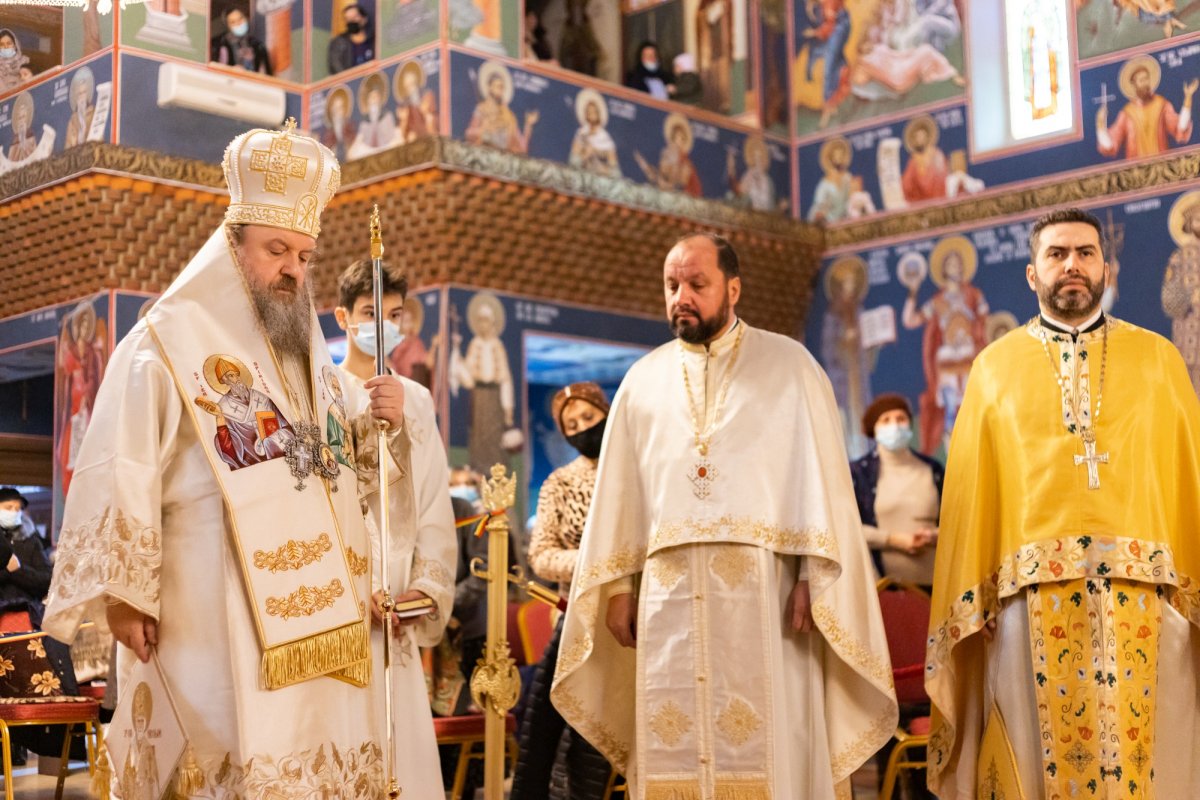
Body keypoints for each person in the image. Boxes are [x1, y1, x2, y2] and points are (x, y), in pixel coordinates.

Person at [41, 120, 423, 794]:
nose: (292, 271)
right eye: (277, 249)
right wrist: (126, 594)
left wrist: (374, 427)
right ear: (231, 244)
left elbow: (336, 462)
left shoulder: (312, 363)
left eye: (304, 257)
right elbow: (120, 464)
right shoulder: (164, 344)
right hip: (211, 608)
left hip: (326, 625)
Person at [552, 233, 897, 798]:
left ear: (733, 289)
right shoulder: (642, 382)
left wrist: (814, 577)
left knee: (773, 739)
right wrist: (616, 587)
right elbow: (621, 496)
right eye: (671, 286)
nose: (680, 296)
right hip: (666, 600)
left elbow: (819, 487)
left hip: (769, 596)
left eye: (696, 284)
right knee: (672, 740)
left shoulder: (791, 367)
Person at [926, 208, 1200, 798]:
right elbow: (973, 496)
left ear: (1108, 268)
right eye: (1056, 254)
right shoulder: (993, 370)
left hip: (1146, 597)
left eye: (1084, 253)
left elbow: (1189, 479)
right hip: (1030, 602)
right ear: (1032, 274)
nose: (1071, 265)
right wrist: (980, 593)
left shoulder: (1159, 361)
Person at [333, 257, 458, 799]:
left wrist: (422, 592)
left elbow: (432, 502)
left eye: (394, 313)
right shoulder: (321, 388)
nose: (382, 324)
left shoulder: (420, 398)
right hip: (340, 605)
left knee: (400, 756)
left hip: (395, 610)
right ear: (342, 317)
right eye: (369, 313)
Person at [512, 382, 613, 800]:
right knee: (570, 726)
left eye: (588, 418)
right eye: (571, 424)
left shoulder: (634, 468)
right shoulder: (560, 482)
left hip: (642, 613)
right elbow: (540, 554)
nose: (582, 428)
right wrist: (596, 562)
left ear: (606, 413)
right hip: (579, 613)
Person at [849, 395, 941, 585]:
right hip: (883, 588)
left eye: (901, 418)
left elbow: (957, 521)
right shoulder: (859, 473)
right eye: (886, 420)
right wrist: (893, 540)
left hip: (936, 585)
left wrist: (933, 535)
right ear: (873, 428)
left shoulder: (933, 469)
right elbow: (849, 527)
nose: (895, 426)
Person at [1097, 54, 1196, 159]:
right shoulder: (1127, 113)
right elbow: (1110, 145)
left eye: (1146, 79)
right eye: (1141, 80)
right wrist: (1100, 126)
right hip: (1137, 171)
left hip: (1161, 164)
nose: (1145, 83)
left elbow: (1179, 127)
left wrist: (1188, 99)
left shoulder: (1161, 104)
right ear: (1134, 84)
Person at [0, 487, 52, 632]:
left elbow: (47, 580)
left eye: (18, 509)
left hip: (28, 616)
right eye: (8, 507)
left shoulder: (31, 540)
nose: (14, 512)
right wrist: (6, 569)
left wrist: (18, 570)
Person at [465, 60, 539, 154]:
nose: (501, 90)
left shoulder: (509, 116)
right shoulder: (482, 109)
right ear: (490, 87)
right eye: (498, 87)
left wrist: (528, 125)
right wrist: (484, 132)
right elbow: (469, 134)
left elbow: (522, 148)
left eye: (502, 87)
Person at [569, 88, 621, 178]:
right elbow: (572, 162)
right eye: (589, 112)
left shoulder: (605, 138)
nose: (591, 114)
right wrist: (585, 155)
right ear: (585, 114)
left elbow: (616, 173)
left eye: (594, 112)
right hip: (581, 176)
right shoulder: (581, 134)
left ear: (599, 113)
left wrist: (602, 170)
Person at [210, 7, 273, 75]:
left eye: (240, 19)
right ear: (228, 26)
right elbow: (217, 71)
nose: (238, 23)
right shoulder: (222, 45)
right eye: (233, 22)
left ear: (246, 19)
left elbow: (266, 74)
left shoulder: (258, 45)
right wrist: (231, 70)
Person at [329, 4, 375, 75]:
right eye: (348, 18)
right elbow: (336, 66)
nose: (351, 21)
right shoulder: (339, 42)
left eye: (355, 17)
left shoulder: (373, 40)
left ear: (364, 19)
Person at [65, 67, 97, 149]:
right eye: (79, 94)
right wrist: (73, 142)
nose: (82, 97)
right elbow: (67, 146)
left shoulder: (94, 114)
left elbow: (99, 139)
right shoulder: (73, 119)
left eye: (84, 92)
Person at [0, 29, 29, 93]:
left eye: (9, 43)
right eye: (2, 44)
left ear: (15, 45)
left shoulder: (25, 62)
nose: (6, 47)